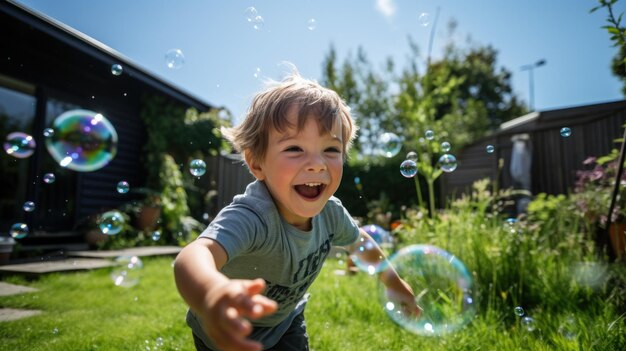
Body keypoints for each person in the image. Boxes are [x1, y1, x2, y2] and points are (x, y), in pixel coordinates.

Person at [174, 70, 419, 351]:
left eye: (330, 149)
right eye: (294, 148)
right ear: (256, 164)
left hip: (285, 322)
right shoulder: (252, 216)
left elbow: (359, 242)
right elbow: (193, 256)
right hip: (226, 328)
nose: (316, 164)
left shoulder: (331, 213)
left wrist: (393, 282)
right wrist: (211, 294)